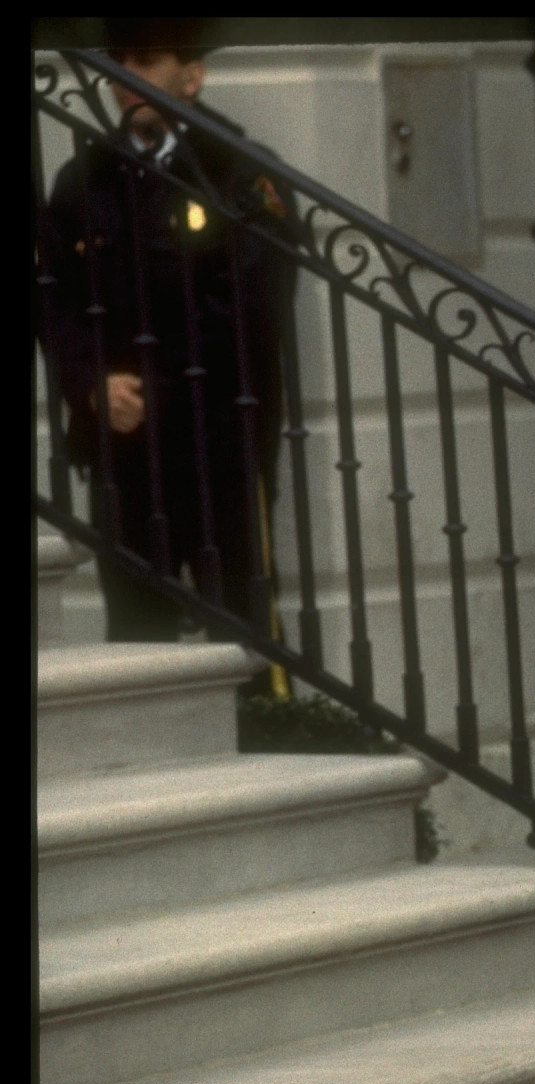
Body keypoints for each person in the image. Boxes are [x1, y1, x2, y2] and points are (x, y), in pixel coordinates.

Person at [36, 22, 298, 657]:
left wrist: (155, 384)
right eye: (118, 60)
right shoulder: (86, 177)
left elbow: (250, 307)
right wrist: (90, 381)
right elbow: (55, 297)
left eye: (146, 61)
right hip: (121, 440)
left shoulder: (238, 173)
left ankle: (266, 735)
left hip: (217, 438)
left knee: (241, 624)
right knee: (136, 627)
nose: (125, 79)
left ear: (193, 74)